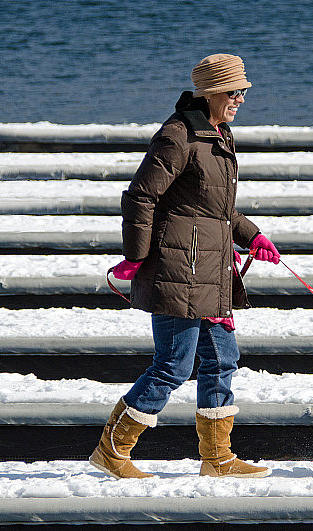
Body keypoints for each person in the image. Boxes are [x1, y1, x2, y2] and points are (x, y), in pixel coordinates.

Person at [89, 53, 280, 479]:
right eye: (234, 92)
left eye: (243, 92)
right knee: (174, 364)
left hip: (211, 272)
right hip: (178, 272)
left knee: (221, 360)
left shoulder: (218, 134)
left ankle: (218, 459)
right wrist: (136, 257)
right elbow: (140, 197)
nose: (240, 100)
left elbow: (216, 211)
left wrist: (252, 237)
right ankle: (111, 450)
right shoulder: (178, 136)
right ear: (211, 92)